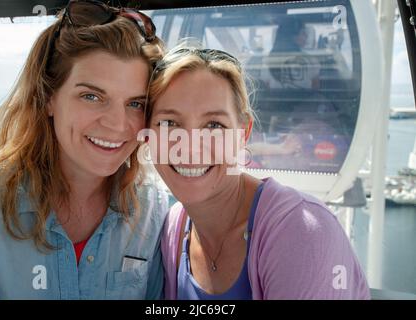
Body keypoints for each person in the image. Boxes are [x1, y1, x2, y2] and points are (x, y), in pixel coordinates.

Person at [0, 0, 167, 299]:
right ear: (48, 97)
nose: (116, 124)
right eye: (91, 96)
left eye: (135, 103)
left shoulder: (153, 203)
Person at [146, 45, 370, 299]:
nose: (190, 146)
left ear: (244, 133)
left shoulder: (302, 230)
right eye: (169, 123)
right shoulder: (174, 227)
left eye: (214, 125)